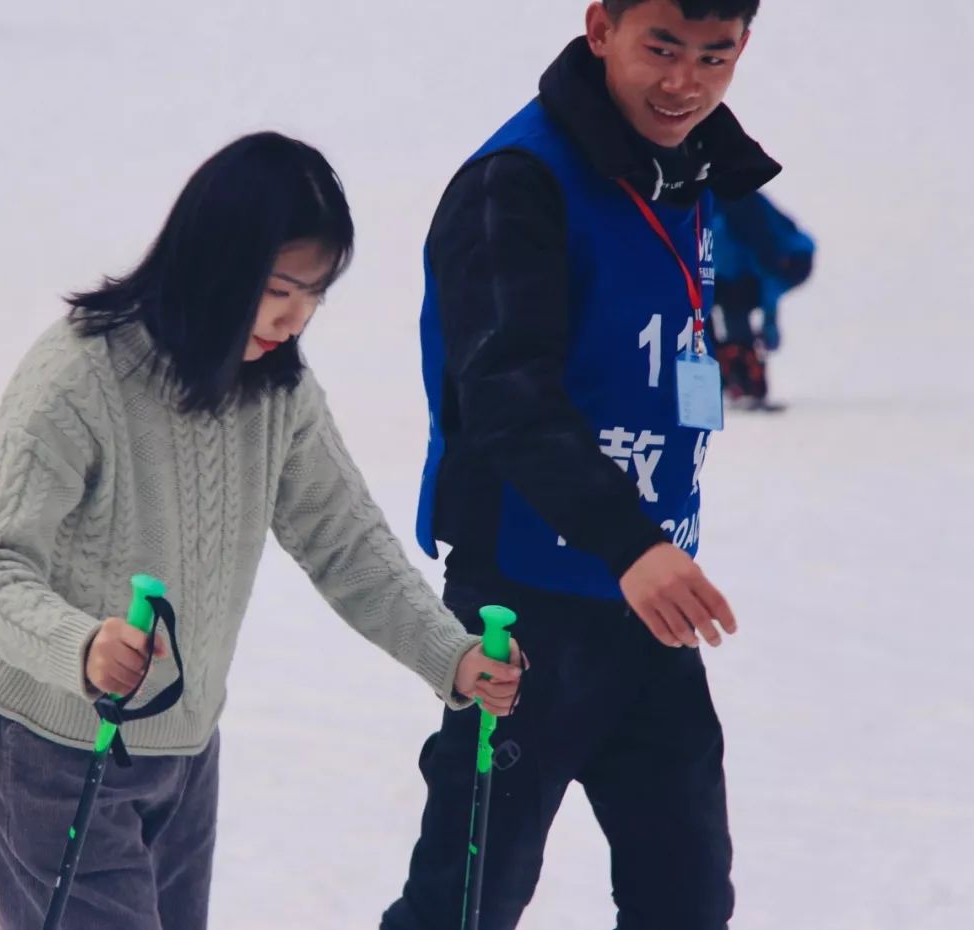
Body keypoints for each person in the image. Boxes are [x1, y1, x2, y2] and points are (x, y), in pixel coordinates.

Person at [0, 131, 523, 930]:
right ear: (214, 258)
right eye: (279, 288)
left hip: (182, 751)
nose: (295, 319)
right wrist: (83, 646)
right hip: (48, 749)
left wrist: (449, 652)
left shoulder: (275, 393)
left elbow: (345, 540)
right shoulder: (77, 377)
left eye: (316, 295)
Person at [381, 2, 781, 929]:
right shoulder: (517, 181)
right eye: (662, 48)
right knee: (468, 899)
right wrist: (628, 542)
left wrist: (644, 553)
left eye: (715, 56)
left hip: (650, 600)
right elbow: (503, 396)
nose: (685, 83)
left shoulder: (690, 170)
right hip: (525, 599)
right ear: (601, 27)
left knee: (685, 895)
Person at [709, 190, 815, 408]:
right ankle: (732, 372)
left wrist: (770, 316)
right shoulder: (711, 206)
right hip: (743, 266)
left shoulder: (742, 210)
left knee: (733, 305)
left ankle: (745, 377)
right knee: (719, 304)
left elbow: (769, 261)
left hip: (790, 259)